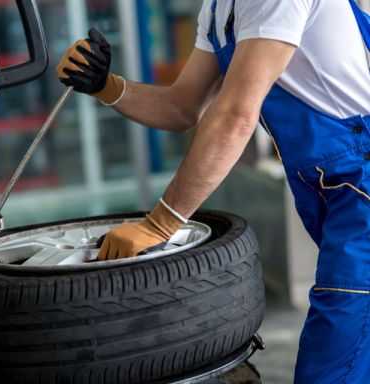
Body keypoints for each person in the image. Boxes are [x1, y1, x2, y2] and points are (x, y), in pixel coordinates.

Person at [57, 0, 370, 382]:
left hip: (360, 185)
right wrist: (107, 86)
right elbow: (182, 107)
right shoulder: (219, 8)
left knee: (334, 360)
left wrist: (160, 224)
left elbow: (236, 114)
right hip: (333, 188)